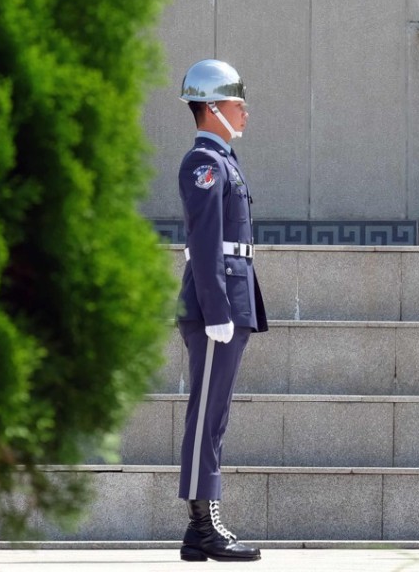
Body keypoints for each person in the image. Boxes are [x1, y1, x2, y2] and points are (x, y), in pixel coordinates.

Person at [175, 59, 267, 563]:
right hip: (217, 303)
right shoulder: (204, 163)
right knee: (206, 415)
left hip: (231, 298)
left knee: (216, 415)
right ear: (212, 109)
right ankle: (202, 524)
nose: (245, 113)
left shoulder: (224, 161)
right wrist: (214, 307)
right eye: (237, 104)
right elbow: (206, 241)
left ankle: (201, 530)